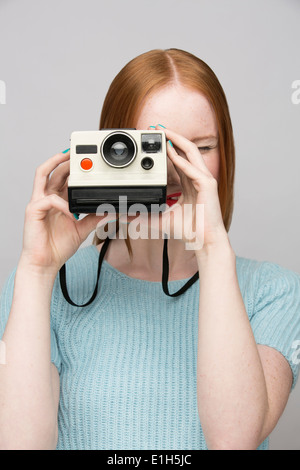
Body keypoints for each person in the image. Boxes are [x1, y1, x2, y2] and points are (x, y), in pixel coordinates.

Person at [1, 48, 300, 451]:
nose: (175, 170)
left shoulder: (273, 292)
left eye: (201, 147)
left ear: (226, 151)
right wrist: (36, 271)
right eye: (153, 148)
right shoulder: (44, 286)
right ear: (112, 147)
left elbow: (234, 441)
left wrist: (211, 251)